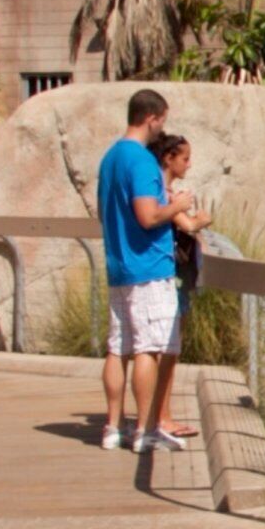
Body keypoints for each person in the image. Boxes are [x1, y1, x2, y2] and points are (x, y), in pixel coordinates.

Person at [93, 89, 182, 452]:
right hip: (147, 268)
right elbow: (147, 216)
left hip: (119, 266)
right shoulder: (142, 161)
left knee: (118, 348)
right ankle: (144, 431)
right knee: (148, 348)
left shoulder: (110, 158)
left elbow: (105, 213)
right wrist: (178, 206)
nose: (163, 128)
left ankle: (112, 427)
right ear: (152, 118)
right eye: (162, 121)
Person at [149, 133, 204, 446]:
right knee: (168, 350)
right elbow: (189, 225)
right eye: (184, 158)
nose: (189, 164)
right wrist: (200, 218)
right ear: (169, 159)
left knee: (167, 350)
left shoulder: (162, 192)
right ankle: (162, 416)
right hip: (170, 277)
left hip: (168, 276)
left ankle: (159, 415)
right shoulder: (165, 194)